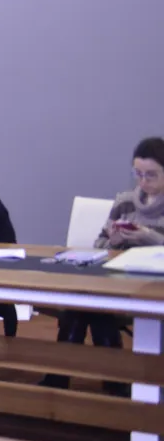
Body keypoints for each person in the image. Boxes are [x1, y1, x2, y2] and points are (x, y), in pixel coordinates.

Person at [43, 138, 164, 394]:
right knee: (87, 305)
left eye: (151, 175)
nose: (143, 181)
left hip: (153, 289)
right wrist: (113, 241)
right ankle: (114, 386)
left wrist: (147, 236)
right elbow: (98, 244)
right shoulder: (125, 201)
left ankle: (59, 380)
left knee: (88, 308)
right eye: (138, 174)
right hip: (117, 282)